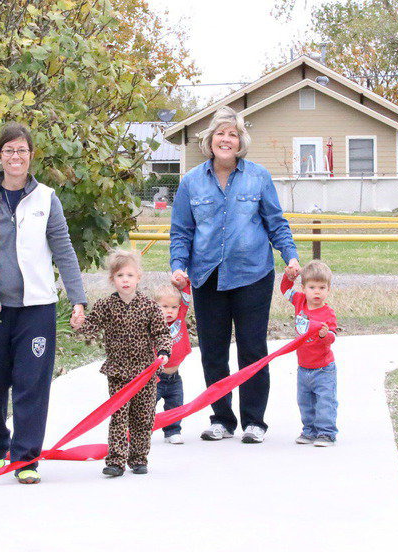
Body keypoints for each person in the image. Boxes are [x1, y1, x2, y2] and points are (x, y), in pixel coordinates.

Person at [0, 123, 87, 484]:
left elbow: (64, 250)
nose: (15, 157)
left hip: (35, 310)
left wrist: (77, 298)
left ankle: (25, 459)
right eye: (9, 150)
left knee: (31, 383)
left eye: (22, 150)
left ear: (31, 156)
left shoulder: (46, 198)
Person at [170, 105, 300, 444]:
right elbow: (181, 231)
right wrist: (178, 266)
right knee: (213, 351)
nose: (225, 139)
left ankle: (254, 421)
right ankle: (222, 420)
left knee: (252, 348)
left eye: (232, 134)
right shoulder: (191, 182)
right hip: (206, 276)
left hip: (253, 274)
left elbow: (276, 223)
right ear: (210, 140)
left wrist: (291, 256)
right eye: (220, 133)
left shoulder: (258, 176)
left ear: (241, 141)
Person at [74, 249, 172, 477]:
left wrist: (164, 351)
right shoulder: (106, 305)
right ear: (113, 279)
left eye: (129, 275)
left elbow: (161, 333)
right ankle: (116, 462)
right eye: (120, 276)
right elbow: (90, 327)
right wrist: (79, 323)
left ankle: (138, 458)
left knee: (143, 416)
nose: (125, 280)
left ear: (138, 277)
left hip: (144, 373)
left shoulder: (149, 307)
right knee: (118, 416)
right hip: (118, 372)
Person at [280, 260, 339, 447]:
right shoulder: (299, 301)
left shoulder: (328, 312)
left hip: (324, 369)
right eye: (312, 287)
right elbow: (285, 289)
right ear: (304, 288)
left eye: (322, 287)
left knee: (325, 403)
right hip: (303, 368)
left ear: (328, 290)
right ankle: (309, 431)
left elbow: (332, 336)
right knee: (305, 403)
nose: (317, 292)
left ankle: (326, 433)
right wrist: (289, 276)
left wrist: (325, 335)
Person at [152, 282, 192, 444]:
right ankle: (139, 431)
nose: (170, 311)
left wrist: (184, 283)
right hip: (156, 379)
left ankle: (172, 432)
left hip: (175, 378)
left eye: (174, 307)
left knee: (175, 406)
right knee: (146, 408)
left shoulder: (180, 317)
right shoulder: (153, 325)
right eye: (165, 306)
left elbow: (186, 298)